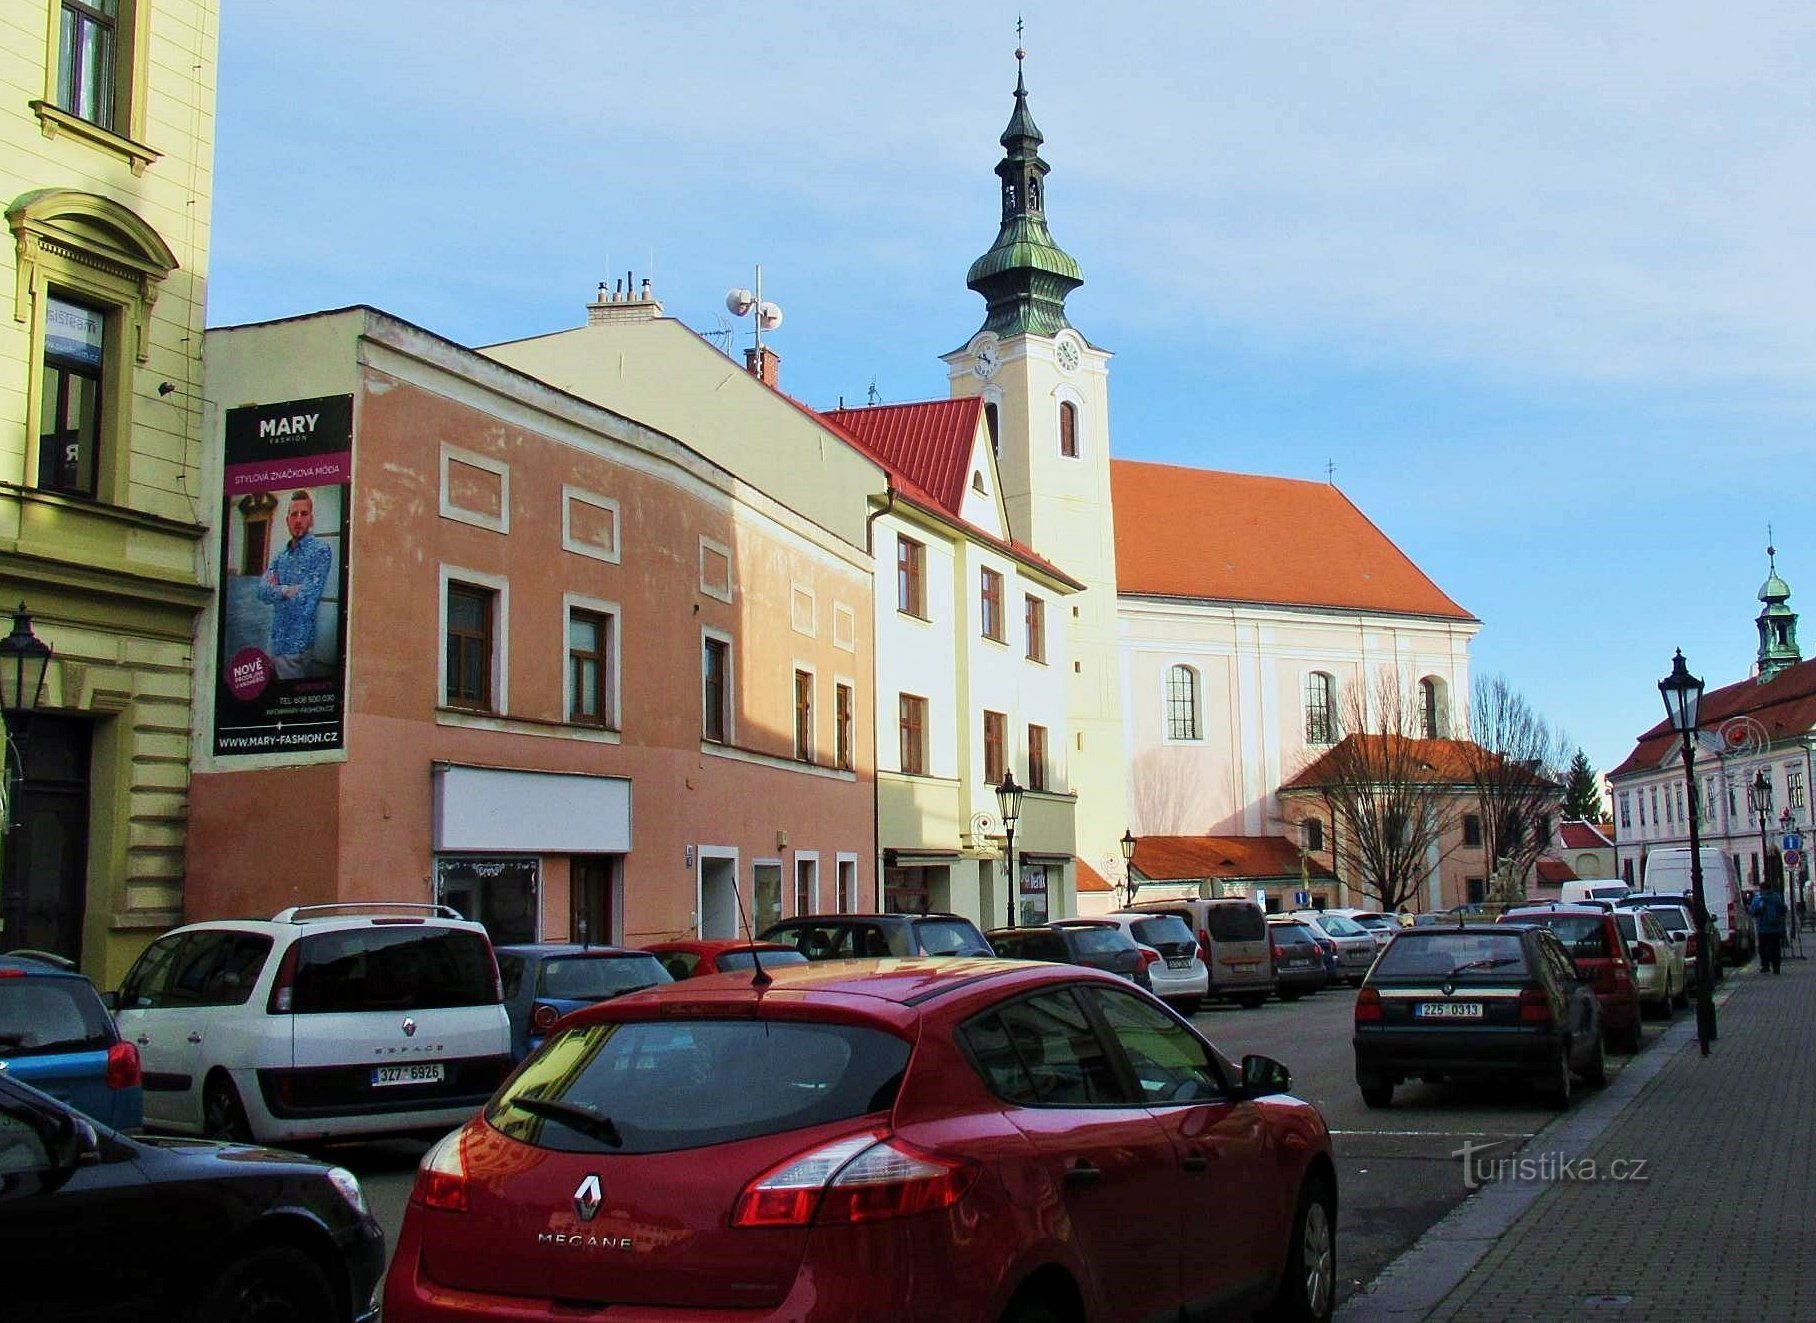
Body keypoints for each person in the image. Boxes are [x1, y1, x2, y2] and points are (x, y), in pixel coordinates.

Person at [255, 489, 332, 679]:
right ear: (287, 520)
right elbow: (261, 591)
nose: (298, 520)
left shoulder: (321, 551)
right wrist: (286, 590)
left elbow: (307, 599)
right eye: (294, 514)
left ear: (311, 519)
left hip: (295, 648)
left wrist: (277, 591)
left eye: (304, 514)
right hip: (273, 643)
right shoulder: (281, 556)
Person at [1750, 883, 1789, 974]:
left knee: (1763, 948)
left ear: (1761, 889)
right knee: (1776, 948)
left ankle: (1765, 965)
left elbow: (1752, 912)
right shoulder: (1776, 897)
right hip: (1775, 928)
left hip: (1763, 929)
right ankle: (1776, 967)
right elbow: (1783, 909)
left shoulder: (1758, 899)